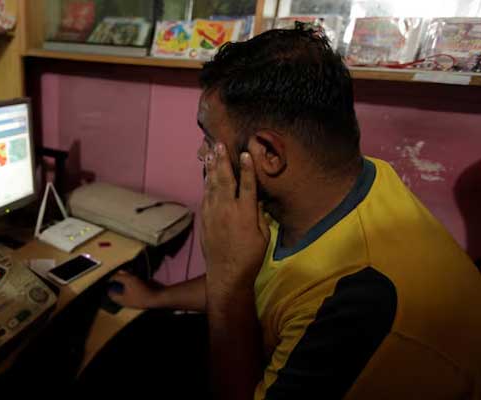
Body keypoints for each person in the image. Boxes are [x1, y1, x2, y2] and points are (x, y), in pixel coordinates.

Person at [98, 28, 481, 399]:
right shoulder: (336, 184)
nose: (202, 154)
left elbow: (240, 289)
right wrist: (159, 296)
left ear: (269, 153)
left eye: (210, 139)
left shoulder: (360, 302)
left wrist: (226, 272)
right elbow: (263, 281)